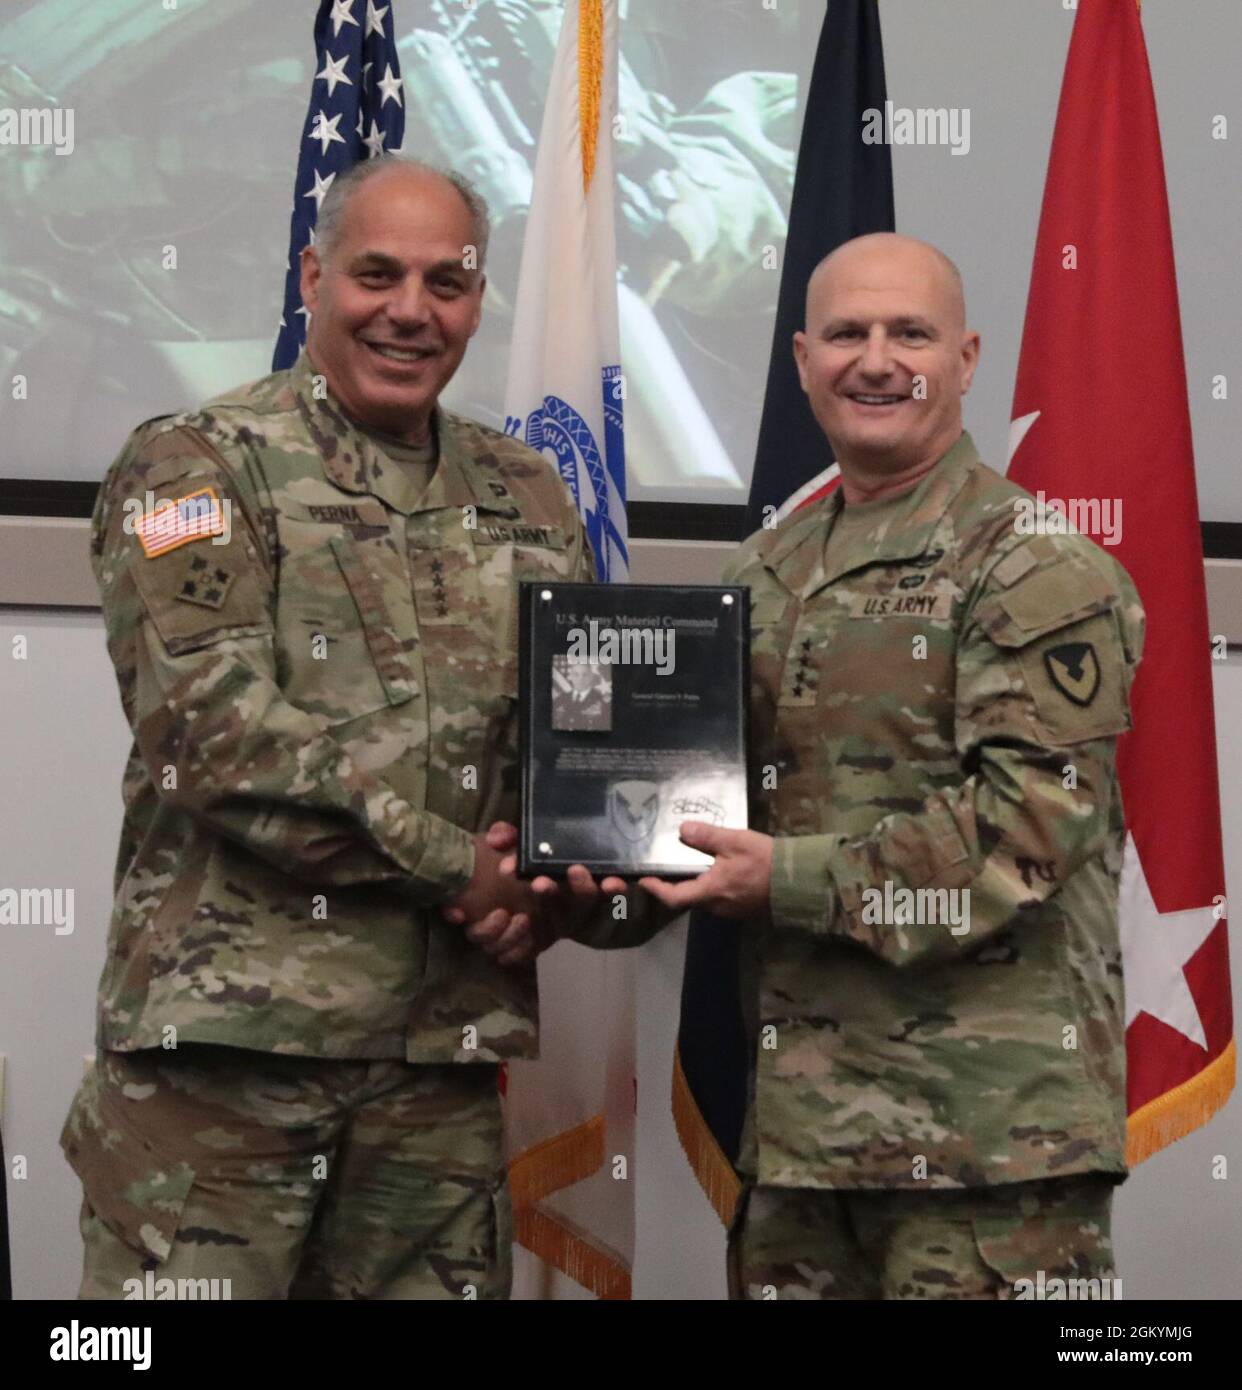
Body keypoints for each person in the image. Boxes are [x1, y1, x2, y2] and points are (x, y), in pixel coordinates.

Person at [60, 155, 622, 1300]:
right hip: (223, 1073)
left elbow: (579, 745)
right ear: (314, 277)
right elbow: (212, 731)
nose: (411, 310)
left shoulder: (529, 493)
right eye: (376, 274)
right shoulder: (197, 463)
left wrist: (572, 878)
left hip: (437, 1080)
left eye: (447, 281)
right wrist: (457, 870)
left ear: (478, 298)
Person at [636, 232, 1146, 1299]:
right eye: (847, 333)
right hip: (799, 1148)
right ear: (801, 359)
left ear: (964, 357)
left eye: (909, 332)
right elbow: (684, 806)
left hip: (989, 1156)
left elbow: (1021, 836)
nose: (876, 360)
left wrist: (785, 877)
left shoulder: (1034, 566)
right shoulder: (764, 572)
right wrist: (577, 871)